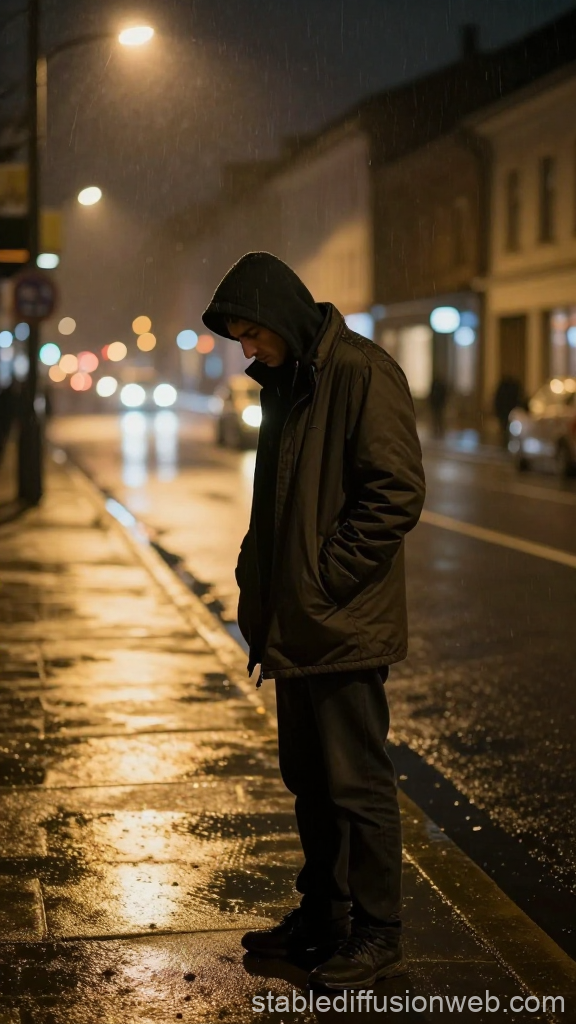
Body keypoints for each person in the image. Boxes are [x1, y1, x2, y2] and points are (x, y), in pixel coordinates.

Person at [202, 253, 426, 990]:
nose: (248, 351)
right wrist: (257, 574)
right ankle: (324, 916)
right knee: (309, 779)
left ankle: (377, 931)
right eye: (240, 339)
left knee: (355, 783)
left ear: (284, 317)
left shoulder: (359, 372)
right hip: (296, 624)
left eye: (253, 334)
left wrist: (322, 579)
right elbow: (278, 500)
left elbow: (394, 492)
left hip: (338, 624)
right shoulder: (288, 379)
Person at [494, 375, 523, 445]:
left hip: (505, 411)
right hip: (507, 411)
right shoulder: (513, 388)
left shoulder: (504, 389)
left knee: (506, 428)